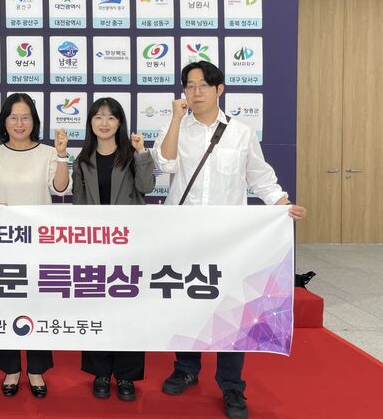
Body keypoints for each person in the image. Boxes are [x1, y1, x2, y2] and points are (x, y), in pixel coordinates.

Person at [152, 61, 307, 419]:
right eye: (189, 86)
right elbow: (165, 164)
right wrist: (175, 119)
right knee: (186, 304)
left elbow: (260, 177)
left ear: (219, 89)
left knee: (231, 310)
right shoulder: (176, 127)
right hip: (184, 235)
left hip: (229, 239)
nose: (196, 92)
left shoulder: (241, 133)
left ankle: (232, 385)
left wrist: (281, 204)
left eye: (203, 85)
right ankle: (186, 368)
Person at [0, 92, 72, 398]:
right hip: (4, 244)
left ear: (34, 121)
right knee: (7, 305)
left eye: (25, 117)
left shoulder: (48, 153)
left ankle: (37, 369)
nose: (19, 123)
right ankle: (11, 368)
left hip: (39, 243)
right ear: (4, 121)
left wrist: (62, 155)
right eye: (13, 117)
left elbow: (60, 188)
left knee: (37, 305)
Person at [72, 97, 155, 403]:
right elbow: (77, 204)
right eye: (98, 117)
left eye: (111, 117)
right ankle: (101, 373)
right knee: (96, 309)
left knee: (129, 309)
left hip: (128, 244)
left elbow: (146, 187)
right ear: (90, 123)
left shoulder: (131, 155)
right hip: (94, 246)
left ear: (120, 122)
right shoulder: (82, 160)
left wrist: (142, 153)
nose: (104, 123)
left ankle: (126, 375)